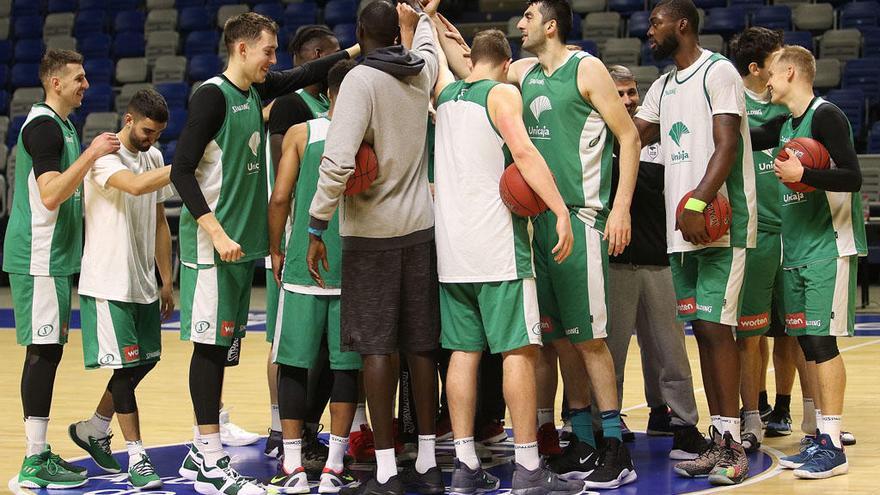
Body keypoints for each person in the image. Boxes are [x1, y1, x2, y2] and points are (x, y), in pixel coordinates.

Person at [170, 12, 358, 494]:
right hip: (214, 249)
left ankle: (199, 451)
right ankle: (211, 458)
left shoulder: (255, 91)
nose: (274, 61)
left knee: (223, 351)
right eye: (268, 51)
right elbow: (182, 170)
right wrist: (214, 232)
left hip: (240, 249)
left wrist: (362, 50)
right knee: (209, 352)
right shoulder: (212, 96)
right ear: (242, 49)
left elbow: (309, 72)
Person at [434, 28, 589, 495]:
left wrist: (429, 21)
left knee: (463, 354)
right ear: (504, 63)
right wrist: (561, 210)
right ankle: (527, 469)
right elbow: (523, 153)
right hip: (498, 248)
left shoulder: (443, 96)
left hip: (452, 250)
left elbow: (438, 56)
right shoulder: (502, 93)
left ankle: (464, 466)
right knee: (518, 352)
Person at [494, 0, 640, 487]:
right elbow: (469, 60)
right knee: (560, 337)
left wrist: (619, 209)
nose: (520, 25)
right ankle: (581, 439)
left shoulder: (588, 68)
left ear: (550, 25)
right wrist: (430, 20)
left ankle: (616, 448)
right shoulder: (525, 73)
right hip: (538, 223)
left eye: (528, 18)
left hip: (581, 218)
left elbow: (630, 138)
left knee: (591, 340)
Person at [307, 2, 441, 493]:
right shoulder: (421, 71)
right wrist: (422, 18)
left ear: (361, 33)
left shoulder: (360, 81)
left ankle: (386, 470)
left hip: (370, 236)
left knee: (377, 350)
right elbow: (427, 46)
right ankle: (428, 463)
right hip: (420, 230)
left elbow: (340, 161)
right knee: (421, 346)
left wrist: (317, 223)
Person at [634, 0, 758, 485]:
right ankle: (719, 438)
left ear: (681, 25)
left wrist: (698, 202)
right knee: (702, 334)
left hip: (719, 224)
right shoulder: (663, 86)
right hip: (681, 231)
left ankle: (734, 446)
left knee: (714, 329)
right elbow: (635, 134)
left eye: (655, 23)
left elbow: (727, 143)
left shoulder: (718, 72)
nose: (649, 31)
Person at [4, 48, 120, 490]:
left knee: (47, 350)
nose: (85, 85)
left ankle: (39, 450)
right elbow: (51, 194)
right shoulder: (44, 127)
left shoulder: (62, 125)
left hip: (53, 259)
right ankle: (34, 458)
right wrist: (91, 154)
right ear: (55, 82)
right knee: (42, 351)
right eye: (79, 78)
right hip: (38, 258)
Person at [752, 45, 866, 480]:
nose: (766, 81)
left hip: (828, 247)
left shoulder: (826, 115)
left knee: (822, 343)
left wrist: (805, 176)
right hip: (795, 249)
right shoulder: (787, 124)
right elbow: (747, 133)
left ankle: (833, 445)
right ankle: (820, 436)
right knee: (806, 344)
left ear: (792, 72)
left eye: (773, 74)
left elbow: (852, 177)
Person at [68, 89, 174, 490]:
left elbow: (161, 220)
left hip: (143, 281)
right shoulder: (104, 157)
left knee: (146, 361)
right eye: (147, 131)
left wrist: (166, 279)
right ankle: (138, 456)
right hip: (109, 281)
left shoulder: (154, 157)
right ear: (129, 120)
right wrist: (184, 164)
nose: (152, 140)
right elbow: (133, 187)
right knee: (126, 369)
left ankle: (94, 427)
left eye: (159, 134)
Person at [266, 59, 361, 494]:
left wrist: (275, 249)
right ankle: (336, 465)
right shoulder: (369, 135)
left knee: (293, 365)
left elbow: (281, 196)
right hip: (355, 268)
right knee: (346, 369)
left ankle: (292, 465)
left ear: (326, 94)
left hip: (306, 266)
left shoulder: (303, 134)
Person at [603, 64, 704, 460]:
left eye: (632, 92)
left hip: (661, 261)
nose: (628, 100)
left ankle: (680, 423)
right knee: (609, 352)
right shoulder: (597, 138)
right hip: (612, 262)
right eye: (620, 93)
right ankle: (605, 424)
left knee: (670, 351)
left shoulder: (662, 138)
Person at [263, 23, 342, 466]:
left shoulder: (327, 106)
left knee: (328, 353)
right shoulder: (292, 104)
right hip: (298, 242)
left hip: (332, 243)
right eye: (331, 54)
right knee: (290, 346)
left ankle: (306, 429)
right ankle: (282, 429)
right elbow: (284, 182)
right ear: (315, 54)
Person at [727, 27, 789, 454]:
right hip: (756, 232)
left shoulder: (791, 102)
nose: (783, 67)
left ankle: (791, 407)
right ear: (755, 68)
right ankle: (755, 407)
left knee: (796, 333)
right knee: (752, 333)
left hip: (795, 230)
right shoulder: (733, 104)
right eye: (775, 59)